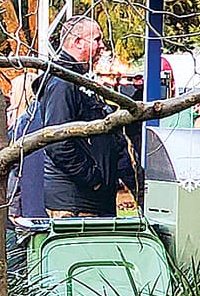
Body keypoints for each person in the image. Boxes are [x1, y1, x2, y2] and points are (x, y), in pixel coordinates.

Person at [35, 16, 130, 218]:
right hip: (75, 203)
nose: (102, 46)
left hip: (91, 201)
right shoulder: (62, 82)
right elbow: (57, 141)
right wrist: (94, 179)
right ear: (78, 42)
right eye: (96, 39)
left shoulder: (80, 81)